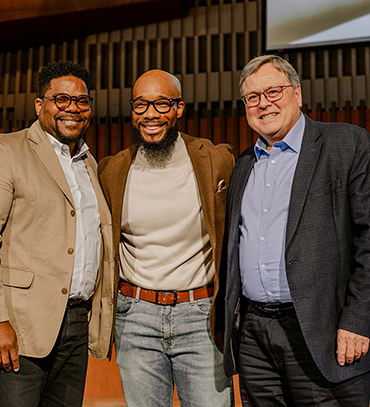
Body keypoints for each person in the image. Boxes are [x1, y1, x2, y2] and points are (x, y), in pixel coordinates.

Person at [220, 55, 370, 406]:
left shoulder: (345, 144)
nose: (263, 103)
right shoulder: (243, 165)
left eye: (273, 91)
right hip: (255, 335)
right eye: (252, 97)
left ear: (297, 94)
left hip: (326, 331)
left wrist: (359, 321)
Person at [0, 60, 113, 407]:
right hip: (18, 327)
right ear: (40, 105)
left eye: (82, 101)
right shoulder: (4, 150)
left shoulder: (89, 163)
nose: (72, 108)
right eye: (62, 99)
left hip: (76, 323)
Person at [98, 69, 234, 407]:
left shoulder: (216, 161)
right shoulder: (111, 171)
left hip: (201, 314)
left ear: (179, 108)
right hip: (135, 316)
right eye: (141, 105)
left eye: (161, 104)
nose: (150, 115)